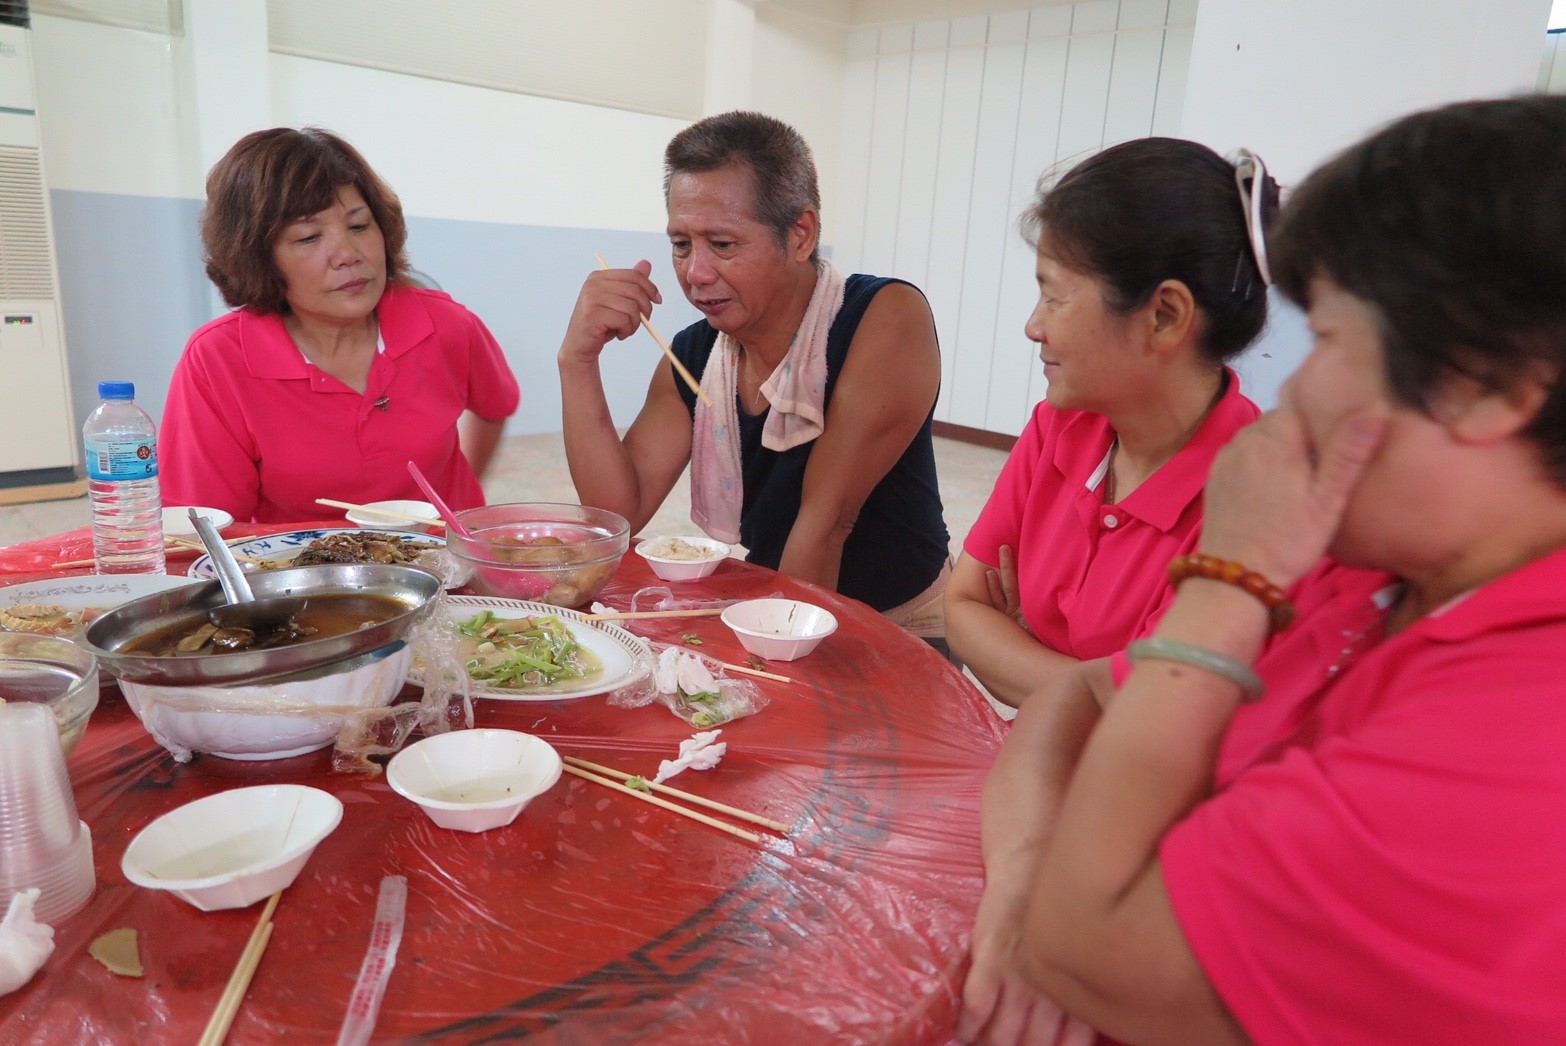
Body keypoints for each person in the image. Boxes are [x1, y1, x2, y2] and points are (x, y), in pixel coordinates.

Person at [959, 95, 1566, 1045]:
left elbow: (1088, 944)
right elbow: (1068, 699)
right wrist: (1031, 866)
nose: (1296, 391)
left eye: (1328, 341)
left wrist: (1226, 583)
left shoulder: (1519, 729)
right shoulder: (1372, 578)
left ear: (1487, 388)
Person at [558, 111, 950, 637]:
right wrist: (577, 361)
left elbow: (826, 522)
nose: (696, 273)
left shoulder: (880, 317)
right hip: (779, 595)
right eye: (681, 244)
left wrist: (772, 657)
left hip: (898, 620)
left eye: (722, 244)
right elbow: (615, 516)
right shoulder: (695, 356)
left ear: (801, 234)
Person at [945, 139, 1276, 706]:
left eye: (1054, 297)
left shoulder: (1251, 501)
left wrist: (1024, 653)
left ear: (1165, 316)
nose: (1033, 326)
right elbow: (964, 607)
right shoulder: (1062, 427)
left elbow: (1153, 715)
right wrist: (1095, 686)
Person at [161, 127, 520, 523]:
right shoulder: (218, 360)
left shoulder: (446, 324)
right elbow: (208, 525)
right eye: (308, 237)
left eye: (359, 226)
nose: (348, 254)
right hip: (298, 561)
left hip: (441, 555)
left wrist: (459, 505)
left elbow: (495, 406)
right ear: (258, 258)